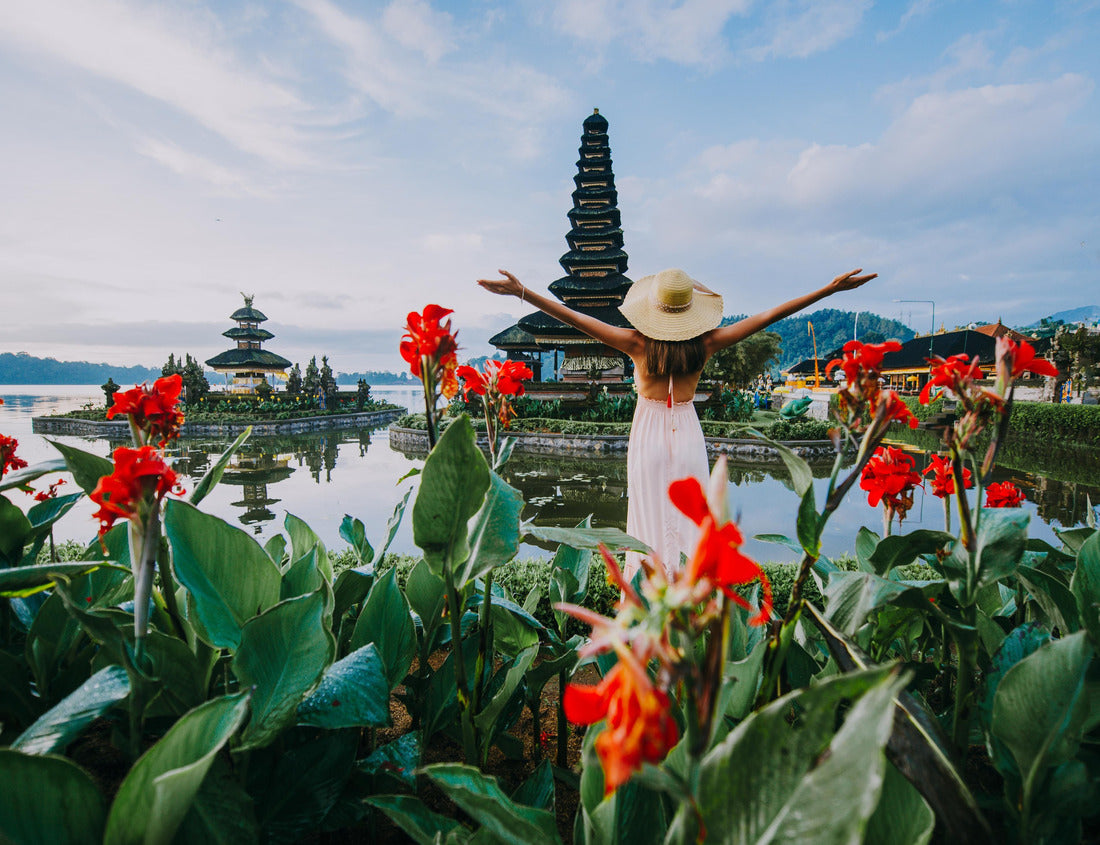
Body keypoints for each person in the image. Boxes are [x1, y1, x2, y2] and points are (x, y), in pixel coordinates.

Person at [477, 266, 876, 580]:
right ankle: (692, 588)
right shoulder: (706, 344)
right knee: (691, 518)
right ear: (689, 312)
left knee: (646, 514)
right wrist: (828, 289)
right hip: (687, 433)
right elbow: (770, 315)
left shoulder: (635, 343)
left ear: (653, 309)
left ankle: (647, 592)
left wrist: (522, 292)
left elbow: (574, 318)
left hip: (647, 434)